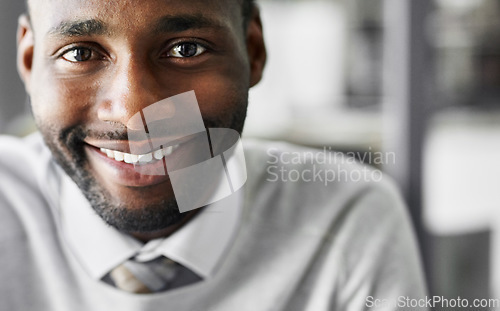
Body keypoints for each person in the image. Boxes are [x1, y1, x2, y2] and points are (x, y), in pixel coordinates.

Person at [0, 0, 427, 310]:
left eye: (186, 49)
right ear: (30, 60)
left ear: (253, 52)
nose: (135, 112)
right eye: (80, 53)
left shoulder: (347, 218)